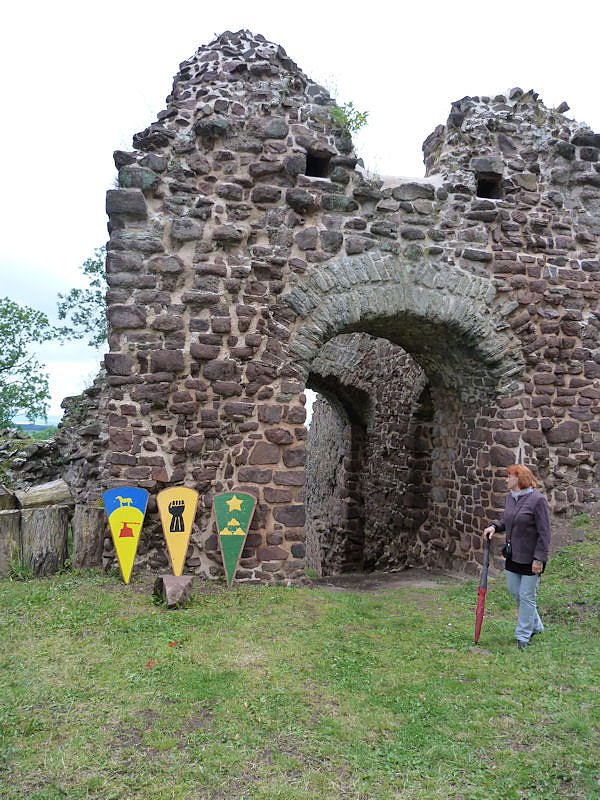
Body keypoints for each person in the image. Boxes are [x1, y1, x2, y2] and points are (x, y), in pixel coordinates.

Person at [483, 464, 551, 650]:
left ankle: (523, 636)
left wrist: (539, 558)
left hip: (532, 558)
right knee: (515, 591)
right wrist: (495, 527)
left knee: (527, 596)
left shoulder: (537, 500)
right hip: (513, 556)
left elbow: (544, 532)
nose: (506, 480)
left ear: (519, 479)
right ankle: (536, 625)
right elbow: (508, 520)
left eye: (509, 476)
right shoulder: (511, 499)